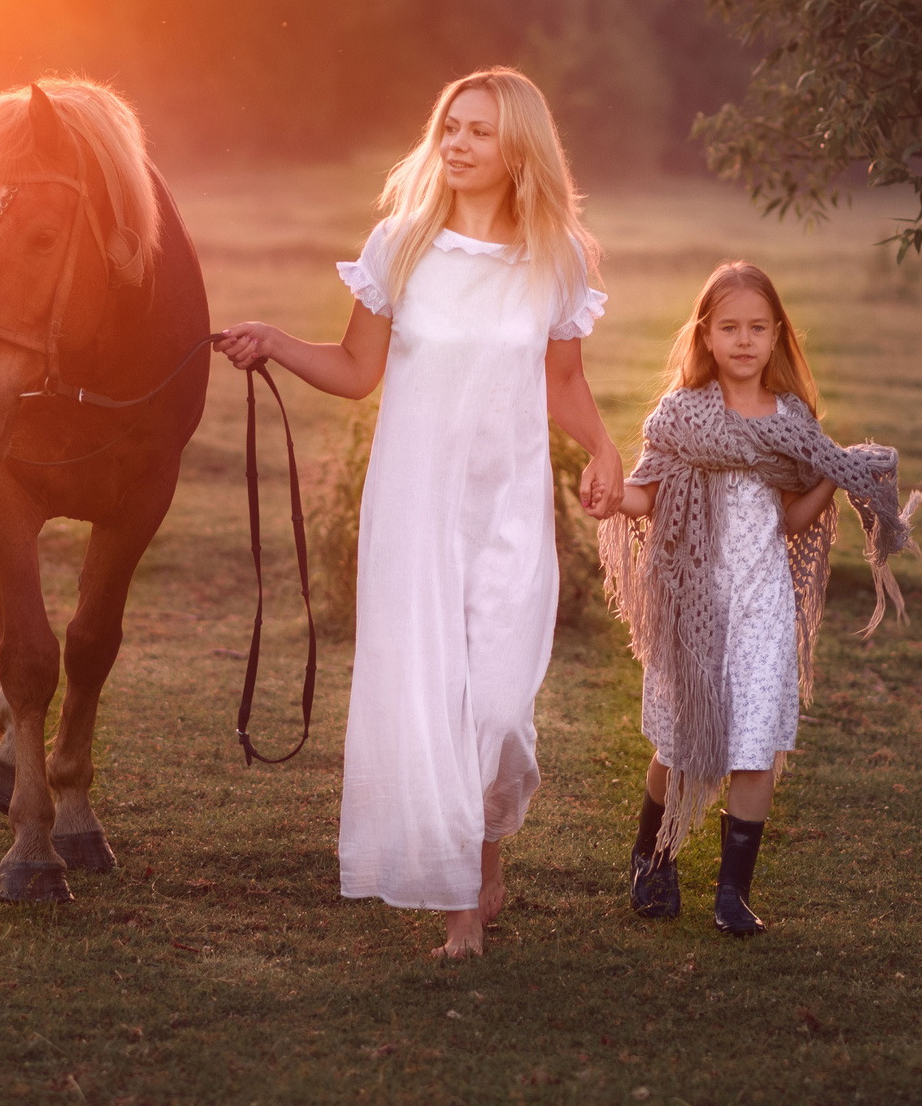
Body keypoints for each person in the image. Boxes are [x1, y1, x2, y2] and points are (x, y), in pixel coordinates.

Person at [215, 69, 622, 958]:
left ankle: (484, 846)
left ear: (520, 145)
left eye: (480, 130)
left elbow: (565, 383)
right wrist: (278, 343)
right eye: (450, 126)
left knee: (503, 708)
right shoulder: (401, 244)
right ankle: (460, 910)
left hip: (510, 506)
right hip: (413, 508)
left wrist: (602, 448)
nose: (459, 143)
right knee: (433, 697)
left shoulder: (558, 257)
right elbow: (361, 371)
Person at [593, 261, 920, 935]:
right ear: (706, 335)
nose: (744, 340)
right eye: (729, 327)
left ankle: (733, 892)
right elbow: (647, 498)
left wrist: (834, 471)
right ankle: (652, 859)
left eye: (757, 328)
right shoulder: (682, 417)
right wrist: (610, 495)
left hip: (763, 600)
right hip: (696, 602)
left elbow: (793, 521)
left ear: (777, 337)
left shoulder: (792, 421)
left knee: (757, 741)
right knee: (680, 743)